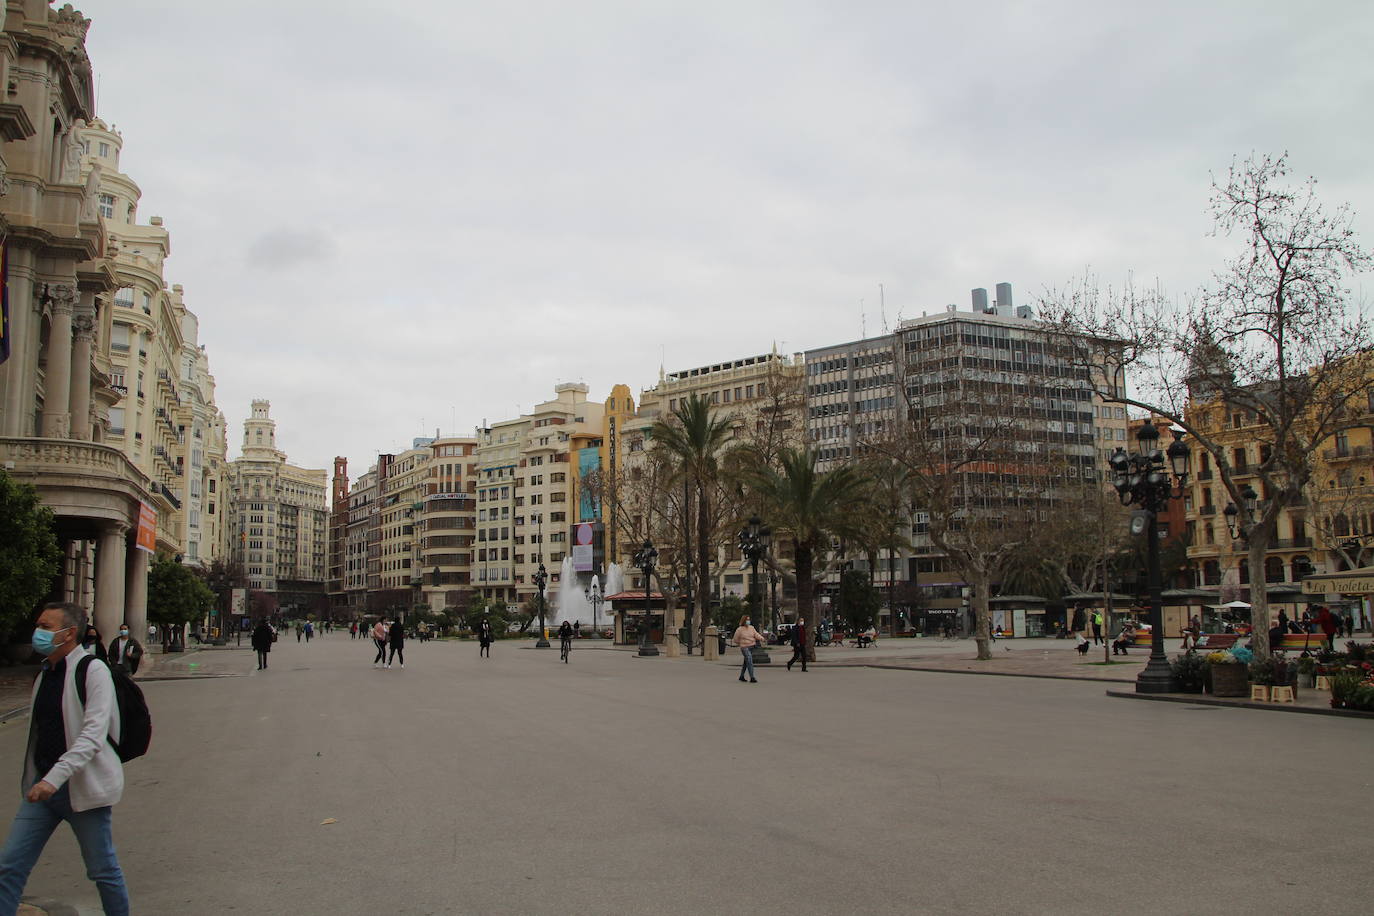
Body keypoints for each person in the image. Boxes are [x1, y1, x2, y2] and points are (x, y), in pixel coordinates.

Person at [0, 602, 129, 914]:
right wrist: (40, 779)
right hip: (42, 791)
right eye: (39, 625)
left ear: (69, 633)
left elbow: (93, 736)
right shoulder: (46, 672)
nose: (38, 632)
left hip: (81, 790)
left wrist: (53, 778)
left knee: (102, 871)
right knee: (9, 868)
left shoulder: (93, 670)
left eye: (46, 626)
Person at [732, 614, 763, 683]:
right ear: (743, 621)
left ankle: (741, 676)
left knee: (746, 662)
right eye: (747, 620)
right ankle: (752, 677)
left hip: (751, 646)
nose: (748, 621)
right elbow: (735, 639)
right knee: (749, 660)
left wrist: (761, 638)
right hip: (744, 647)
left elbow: (756, 634)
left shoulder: (751, 628)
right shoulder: (739, 629)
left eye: (749, 619)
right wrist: (740, 643)